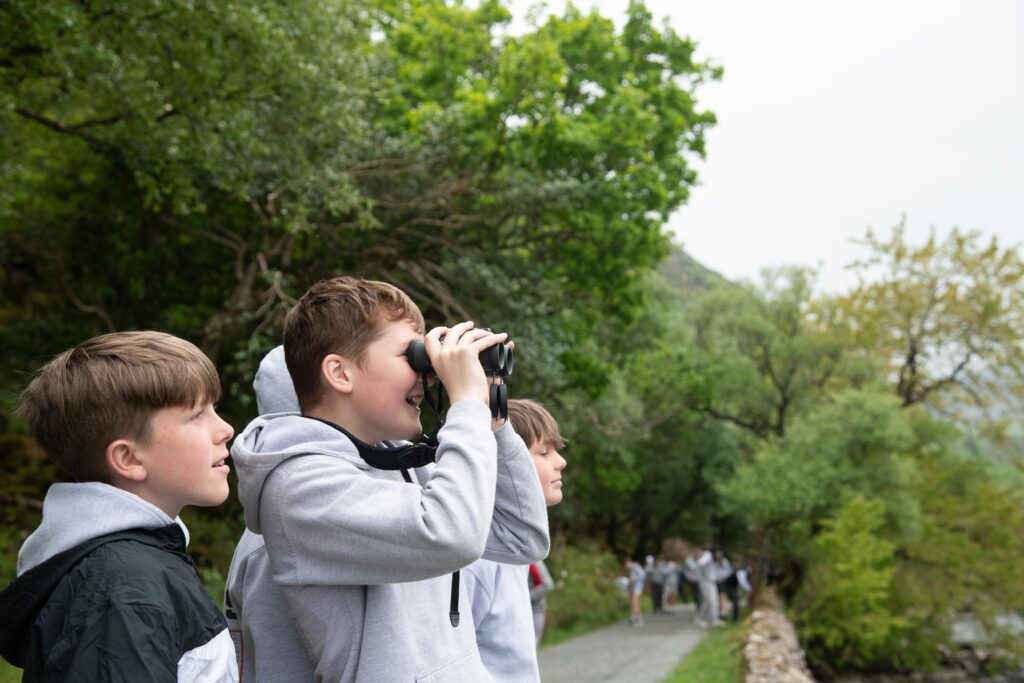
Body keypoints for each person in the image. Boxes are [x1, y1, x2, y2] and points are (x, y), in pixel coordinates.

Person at [226, 276, 550, 682]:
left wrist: (493, 422)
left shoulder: (402, 463)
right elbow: (453, 535)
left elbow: (522, 536)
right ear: (339, 373)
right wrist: (466, 404)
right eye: (410, 356)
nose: (427, 375)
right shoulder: (299, 488)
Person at [0, 331, 238, 682]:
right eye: (196, 416)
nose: (226, 429)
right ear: (128, 458)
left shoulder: (136, 568)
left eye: (214, 409)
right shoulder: (124, 591)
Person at [462, 398, 567, 681]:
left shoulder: (517, 551)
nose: (561, 462)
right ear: (505, 461)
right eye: (544, 452)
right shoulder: (477, 555)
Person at [693, 545, 720, 628]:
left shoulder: (709, 557)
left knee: (708, 602)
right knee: (711, 601)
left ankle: (710, 619)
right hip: (706, 582)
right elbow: (700, 563)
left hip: (710, 582)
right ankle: (711, 619)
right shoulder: (707, 555)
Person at [623, 557, 647, 626]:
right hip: (634, 588)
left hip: (638, 587)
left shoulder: (636, 566)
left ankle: (635, 617)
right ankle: (639, 617)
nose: (626, 567)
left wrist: (634, 579)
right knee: (636, 602)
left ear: (629, 562)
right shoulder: (630, 569)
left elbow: (643, 575)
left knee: (634, 601)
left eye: (626, 565)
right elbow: (631, 580)